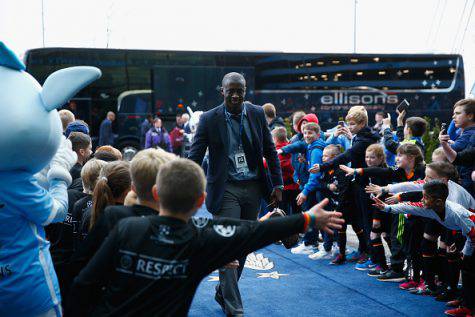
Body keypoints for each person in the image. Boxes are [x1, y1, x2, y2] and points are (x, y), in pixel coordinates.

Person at [67, 158, 344, 316]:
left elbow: (83, 283)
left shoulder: (125, 227)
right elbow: (253, 232)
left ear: (155, 194)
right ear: (201, 199)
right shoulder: (200, 239)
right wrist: (307, 218)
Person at [188, 72, 283, 316]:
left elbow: (271, 151)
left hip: (253, 187)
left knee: (244, 245)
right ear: (222, 91)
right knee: (229, 243)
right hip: (225, 188)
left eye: (239, 90)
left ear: (245, 90)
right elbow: (195, 156)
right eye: (230, 90)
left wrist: (278, 185)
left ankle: (223, 290)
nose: (235, 95)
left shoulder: (256, 113)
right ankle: (234, 307)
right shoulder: (210, 119)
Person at [372, 180, 475, 317]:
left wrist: (465, 254)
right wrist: (386, 208)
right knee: (466, 270)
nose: (422, 199)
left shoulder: (457, 213)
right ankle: (466, 303)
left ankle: (470, 308)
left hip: (472, 236)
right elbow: (409, 207)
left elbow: (473, 236)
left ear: (438, 202)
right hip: (467, 235)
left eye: (425, 197)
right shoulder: (432, 208)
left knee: (469, 270)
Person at [342, 143, 426, 283]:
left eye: (400, 155)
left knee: (403, 240)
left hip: (420, 213)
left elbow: (419, 191)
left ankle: (399, 269)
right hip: (405, 211)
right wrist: (357, 171)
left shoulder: (421, 171)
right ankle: (403, 270)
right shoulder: (400, 171)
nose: (397, 158)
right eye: (397, 155)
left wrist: (398, 196)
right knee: (400, 239)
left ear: (411, 158)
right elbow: (380, 171)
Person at [309, 144, 350, 261]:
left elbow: (345, 191)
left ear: (335, 157)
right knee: (331, 225)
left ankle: (340, 250)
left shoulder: (342, 171)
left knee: (340, 227)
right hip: (331, 203)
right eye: (322, 156)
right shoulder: (326, 170)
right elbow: (319, 183)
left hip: (342, 205)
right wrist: (328, 186)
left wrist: (339, 207)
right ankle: (331, 248)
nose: (322, 159)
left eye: (325, 156)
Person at [439, 98, 475, 194]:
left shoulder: (470, 134)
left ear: (470, 116)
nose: (453, 117)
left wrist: (445, 144)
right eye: (454, 113)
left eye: (458, 113)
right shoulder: (463, 132)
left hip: (468, 187)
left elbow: (442, 154)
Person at [271, 127, 299, 215]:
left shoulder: (275, 152)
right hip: (296, 187)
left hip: (283, 189)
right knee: (297, 213)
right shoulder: (292, 149)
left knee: (283, 213)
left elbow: (266, 164)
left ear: (274, 139)